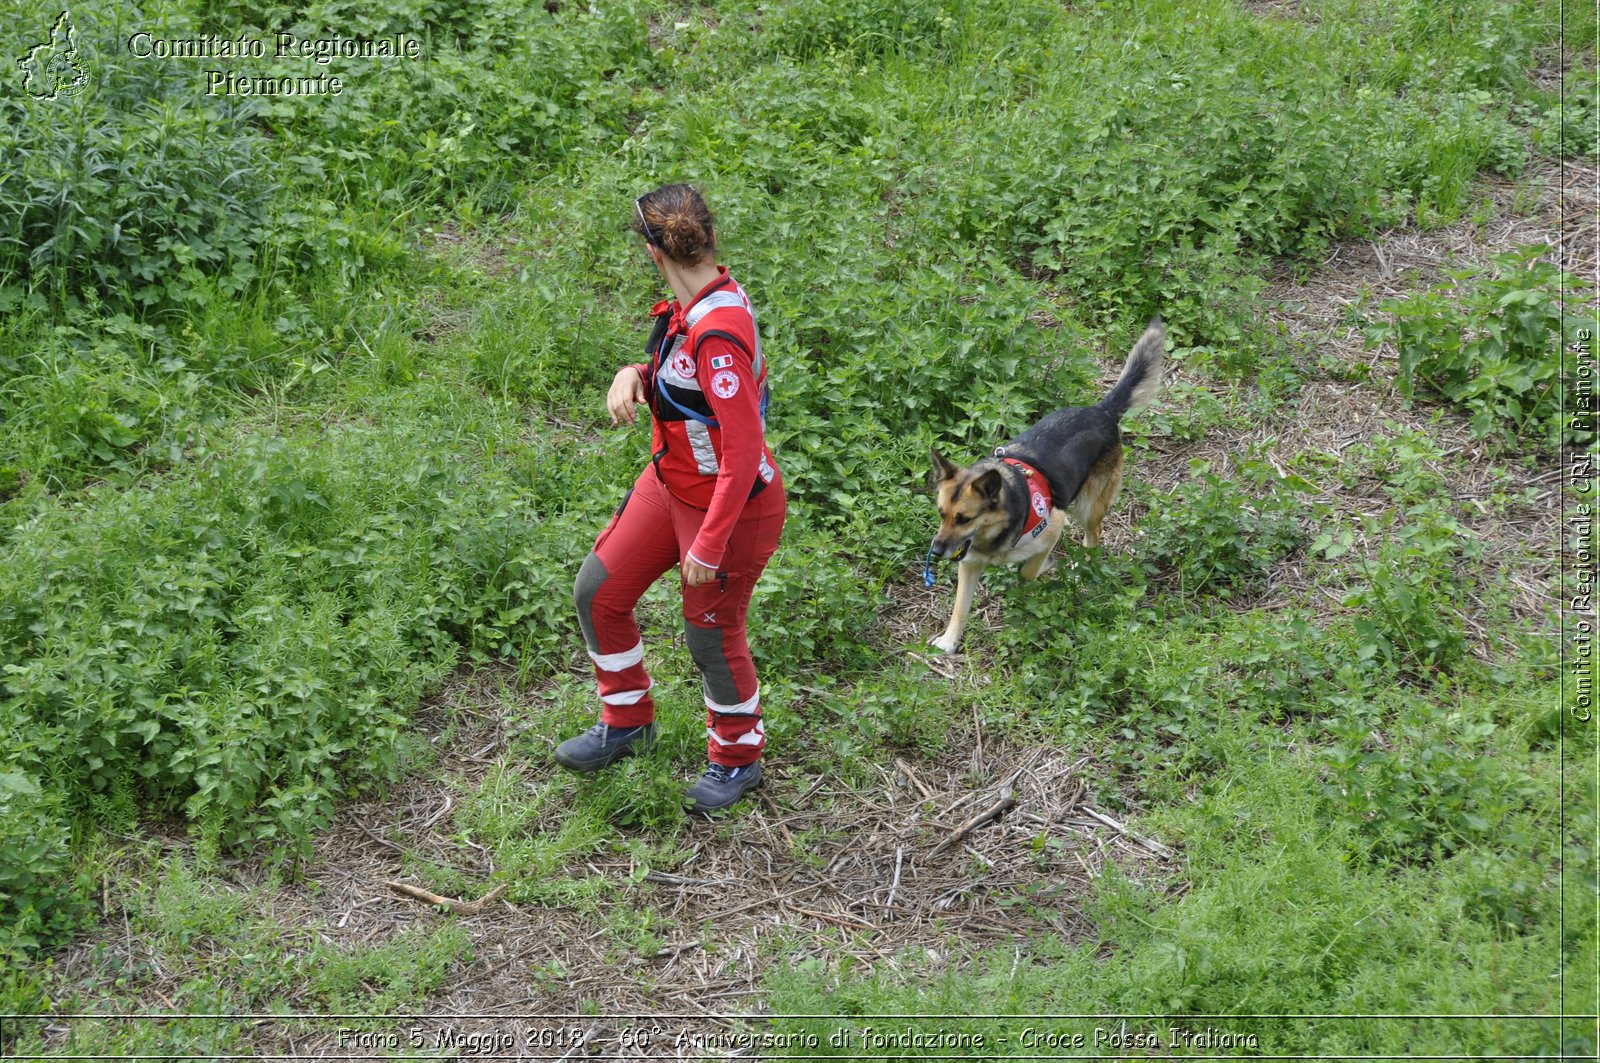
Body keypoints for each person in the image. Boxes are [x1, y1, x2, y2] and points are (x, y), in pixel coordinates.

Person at [557, 183, 785, 815]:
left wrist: (709, 545)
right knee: (598, 592)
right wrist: (633, 374)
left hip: (730, 508)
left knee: (710, 635)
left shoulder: (720, 335)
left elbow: (742, 453)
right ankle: (627, 723)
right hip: (671, 483)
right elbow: (677, 378)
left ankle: (738, 760)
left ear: (653, 255)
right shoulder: (690, 307)